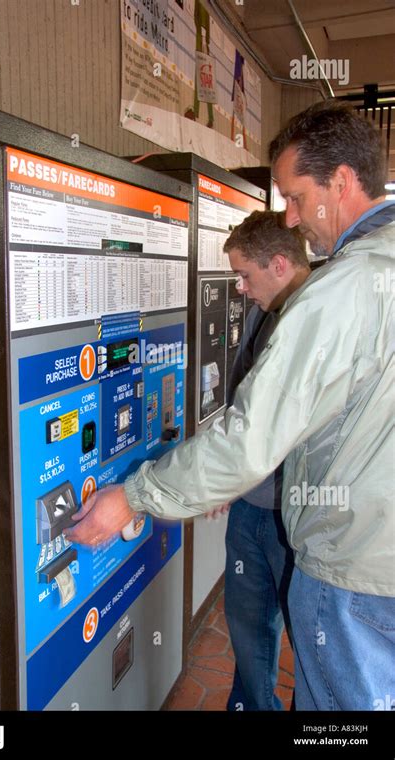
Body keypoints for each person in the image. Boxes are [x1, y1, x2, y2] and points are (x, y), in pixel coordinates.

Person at [65, 100, 395, 711]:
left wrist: (135, 494)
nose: (292, 219)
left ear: (342, 181)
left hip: (353, 571)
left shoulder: (344, 288)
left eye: (296, 197)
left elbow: (249, 439)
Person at [222, 211, 310, 711]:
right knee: (248, 628)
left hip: (300, 514)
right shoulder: (261, 309)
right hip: (250, 508)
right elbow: (241, 407)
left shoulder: (318, 317)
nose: (239, 287)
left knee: (311, 642)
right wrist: (225, 480)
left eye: (244, 275)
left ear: (278, 264)